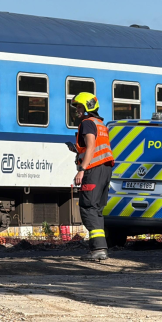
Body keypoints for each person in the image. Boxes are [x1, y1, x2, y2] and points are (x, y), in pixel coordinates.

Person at [68, 92, 114, 261]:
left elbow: (91, 146)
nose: (77, 111)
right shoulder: (100, 124)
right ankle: (100, 248)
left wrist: (81, 169)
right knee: (97, 210)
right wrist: (76, 150)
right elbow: (96, 147)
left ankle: (98, 249)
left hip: (93, 170)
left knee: (88, 207)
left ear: (88, 107)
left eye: (79, 107)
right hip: (105, 169)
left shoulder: (87, 123)